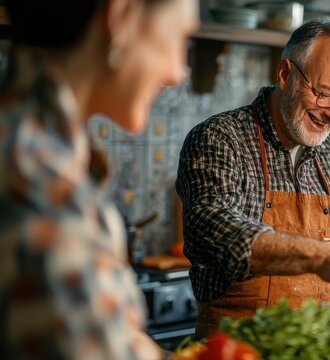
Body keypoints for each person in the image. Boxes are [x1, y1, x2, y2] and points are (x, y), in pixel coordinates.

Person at [176, 18, 330, 338]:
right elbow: (218, 232)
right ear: (286, 74)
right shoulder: (220, 138)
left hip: (315, 348)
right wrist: (321, 256)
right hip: (234, 349)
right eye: (324, 94)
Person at [0, 0, 198, 359]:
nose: (178, 72)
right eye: (181, 37)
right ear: (121, 16)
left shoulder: (38, 146)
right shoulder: (42, 192)